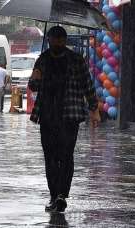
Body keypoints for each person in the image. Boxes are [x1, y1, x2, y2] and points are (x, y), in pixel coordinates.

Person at [28, 26, 100, 212]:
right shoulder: (42, 60)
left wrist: (94, 108)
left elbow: (87, 84)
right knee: (50, 157)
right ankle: (54, 195)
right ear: (50, 39)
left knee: (66, 156)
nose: (57, 42)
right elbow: (33, 86)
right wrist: (35, 77)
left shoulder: (76, 60)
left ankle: (62, 195)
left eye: (61, 39)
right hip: (47, 116)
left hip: (69, 116)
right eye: (54, 39)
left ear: (65, 40)